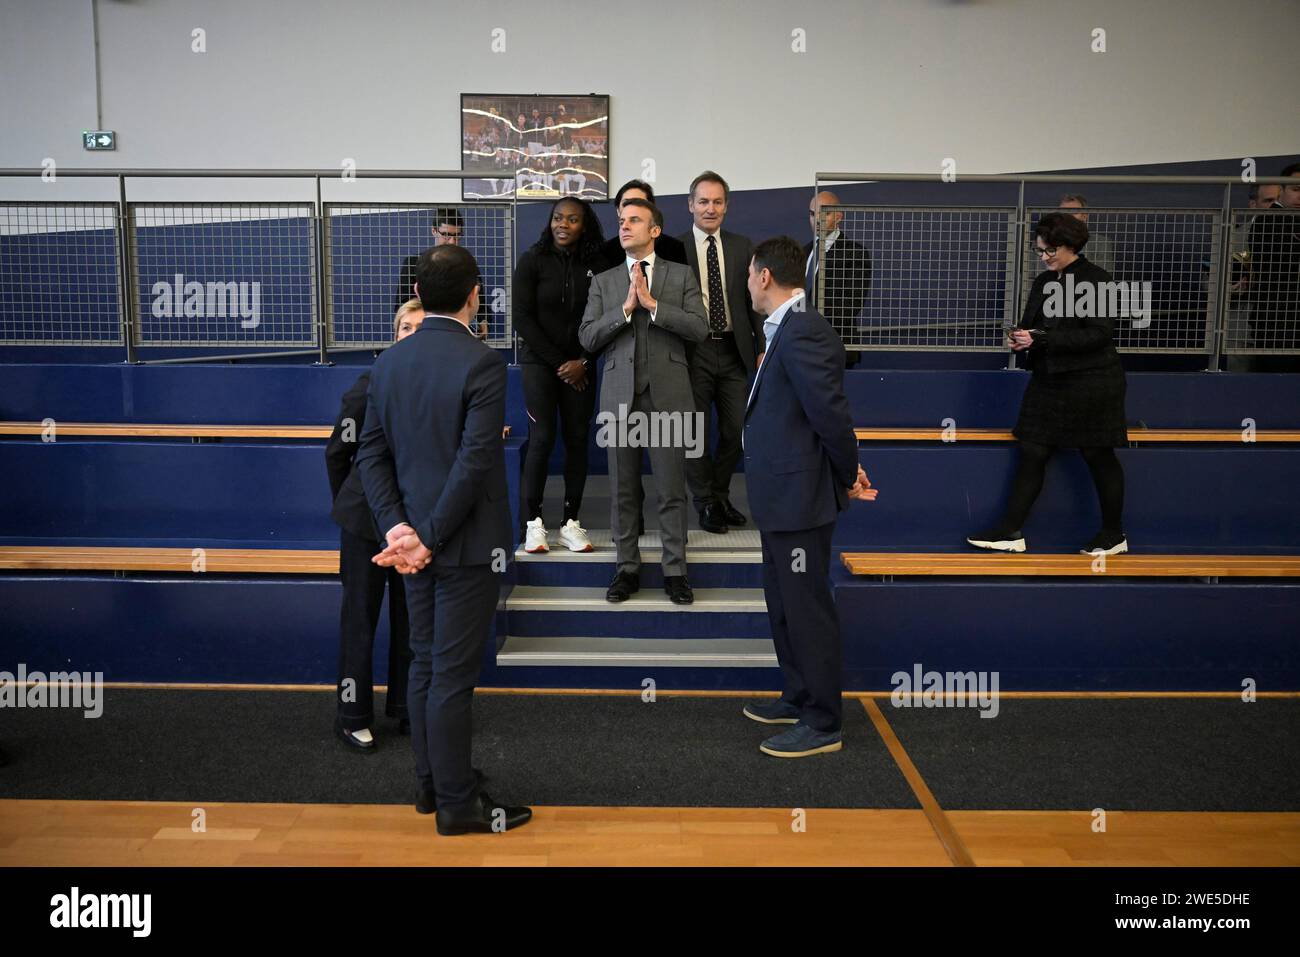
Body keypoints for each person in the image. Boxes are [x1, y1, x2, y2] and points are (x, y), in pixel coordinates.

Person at [356, 245, 531, 836]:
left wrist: (399, 530)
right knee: (450, 676)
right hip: (462, 547)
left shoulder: (388, 363)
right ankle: (457, 805)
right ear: (474, 295)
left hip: (412, 546)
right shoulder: (483, 362)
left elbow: (371, 457)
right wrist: (425, 537)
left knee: (426, 667)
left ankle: (432, 786)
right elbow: (476, 461)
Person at [740, 236, 877, 758]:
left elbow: (831, 416)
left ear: (766, 277)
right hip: (781, 499)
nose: (748, 283)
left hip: (801, 499)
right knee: (783, 605)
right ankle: (798, 695)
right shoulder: (783, 332)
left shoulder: (805, 331)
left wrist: (848, 474)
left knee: (807, 610)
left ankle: (823, 722)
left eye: (751, 274)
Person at [968, 212, 1129, 556]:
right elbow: (1034, 325)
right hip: (1051, 380)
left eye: (1049, 250)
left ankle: (1114, 534)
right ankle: (1010, 531)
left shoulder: (1096, 280)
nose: (1043, 256)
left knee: (1098, 453)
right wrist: (1023, 337)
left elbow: (1099, 335)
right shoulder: (1044, 282)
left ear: (1071, 246)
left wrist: (1039, 340)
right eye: (1040, 250)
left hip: (1092, 382)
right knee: (1033, 449)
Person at [578, 198, 709, 605]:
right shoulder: (604, 281)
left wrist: (653, 307)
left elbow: (699, 329)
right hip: (619, 398)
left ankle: (675, 571)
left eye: (634, 220)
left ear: (655, 230)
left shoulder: (681, 275)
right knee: (623, 490)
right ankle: (626, 568)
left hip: (668, 395)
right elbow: (587, 337)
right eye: (621, 220)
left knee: (671, 489)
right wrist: (624, 309)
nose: (625, 226)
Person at [325, 301, 421, 752]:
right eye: (406, 327)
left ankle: (405, 709)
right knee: (359, 622)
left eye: (422, 327)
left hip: (416, 529)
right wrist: (355, 508)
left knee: (412, 622)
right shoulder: (367, 387)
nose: (413, 333)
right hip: (365, 527)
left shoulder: (437, 384)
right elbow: (337, 455)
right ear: (394, 334)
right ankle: (352, 715)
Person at [514, 198, 605, 554]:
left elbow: (605, 317)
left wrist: (583, 360)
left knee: (578, 439)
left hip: (582, 366)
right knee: (542, 439)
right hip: (542, 365)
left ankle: (571, 523)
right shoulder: (532, 259)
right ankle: (533, 524)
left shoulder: (597, 263)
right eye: (557, 218)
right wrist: (562, 364)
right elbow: (522, 317)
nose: (563, 224)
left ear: (585, 225)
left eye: (572, 219)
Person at [678, 170, 765, 533]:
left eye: (717, 201)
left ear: (726, 206)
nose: (710, 208)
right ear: (690, 205)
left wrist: (761, 348)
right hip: (693, 353)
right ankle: (705, 503)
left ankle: (719, 494)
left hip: (734, 352)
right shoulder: (674, 247)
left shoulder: (743, 246)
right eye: (703, 201)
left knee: (734, 430)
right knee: (695, 431)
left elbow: (755, 304)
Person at [396, 208, 490, 338]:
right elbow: (402, 305)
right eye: (446, 234)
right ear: (434, 231)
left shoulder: (468, 264)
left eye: (457, 235)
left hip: (460, 335)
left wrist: (483, 321)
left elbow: (482, 301)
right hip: (422, 334)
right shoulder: (414, 263)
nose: (452, 241)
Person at [804, 190, 872, 368]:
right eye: (812, 214)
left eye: (824, 213)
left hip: (836, 347)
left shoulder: (855, 254)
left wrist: (809, 321)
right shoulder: (803, 252)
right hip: (803, 348)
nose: (817, 219)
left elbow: (851, 305)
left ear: (839, 216)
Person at [1245, 163, 1300, 371]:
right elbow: (1285, 260)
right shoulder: (1266, 221)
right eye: (1296, 189)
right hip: (1276, 323)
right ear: (1282, 191)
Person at [598, 180, 688, 269]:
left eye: (639, 203)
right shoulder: (606, 252)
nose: (632, 208)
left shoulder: (674, 248)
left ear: (652, 209)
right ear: (618, 211)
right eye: (626, 203)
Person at [1059, 194, 1117, 276]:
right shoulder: (1046, 242)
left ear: (1085, 216)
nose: (1068, 216)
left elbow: (1105, 277)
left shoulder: (1101, 243)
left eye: (1074, 212)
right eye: (1064, 213)